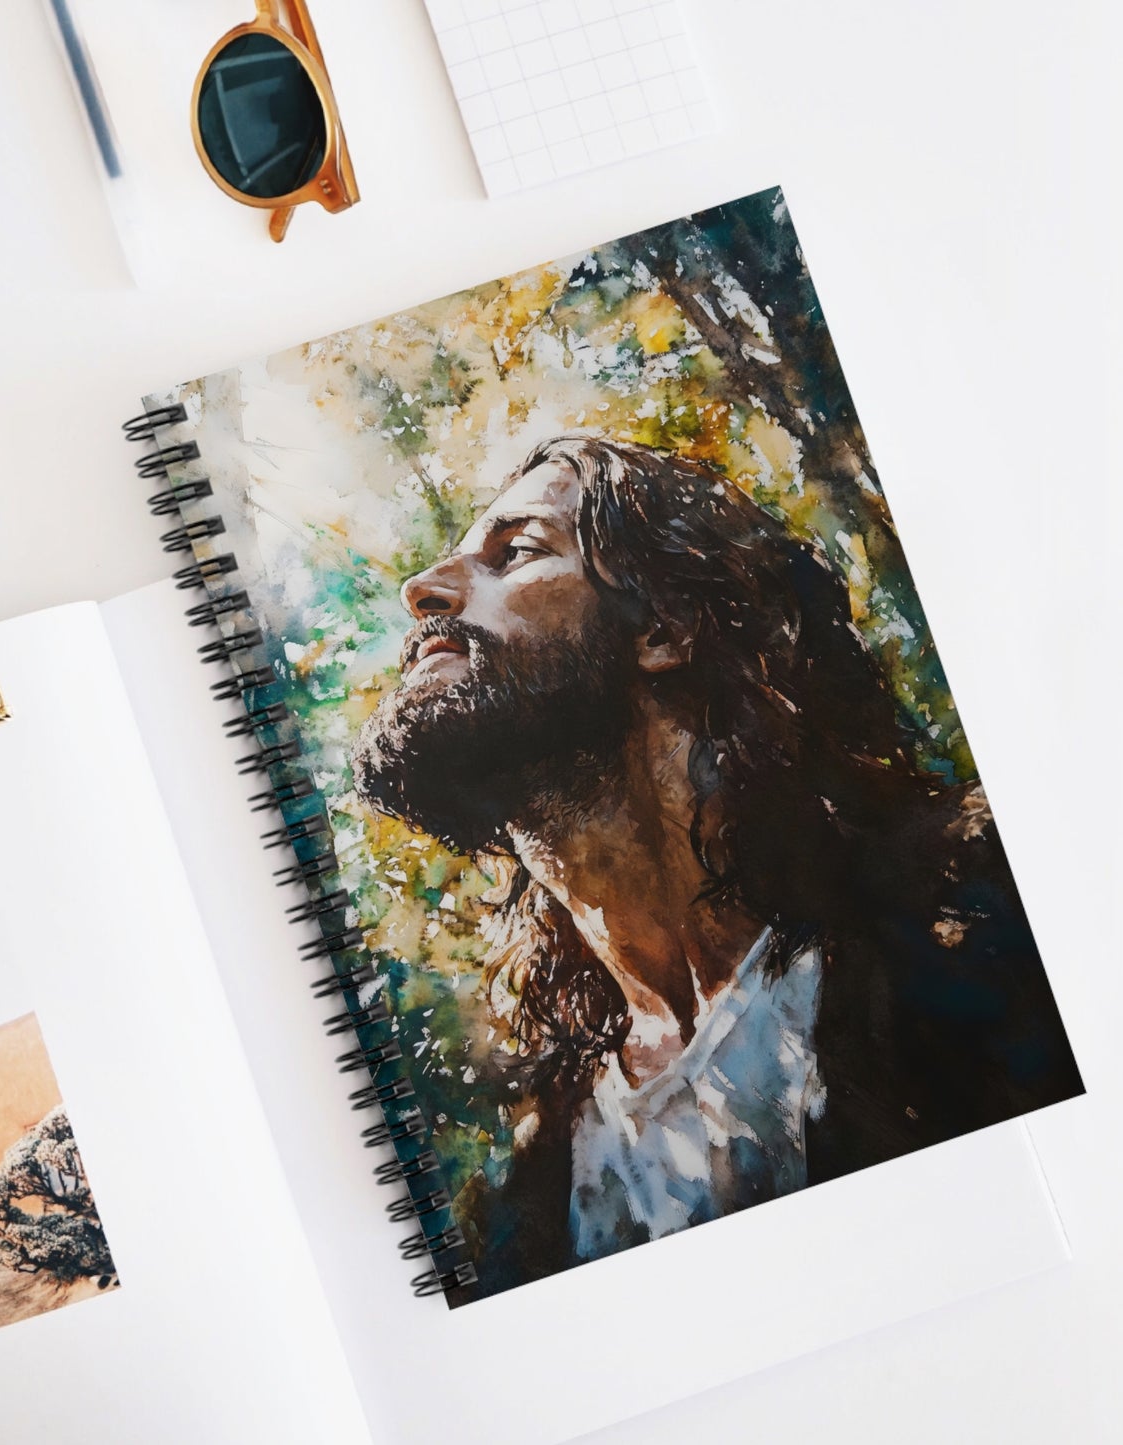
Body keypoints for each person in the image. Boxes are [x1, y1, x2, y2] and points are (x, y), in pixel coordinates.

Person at [352, 434, 1083, 1290]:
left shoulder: (990, 905)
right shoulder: (535, 1186)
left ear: (662, 628)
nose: (421, 591)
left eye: (513, 552)